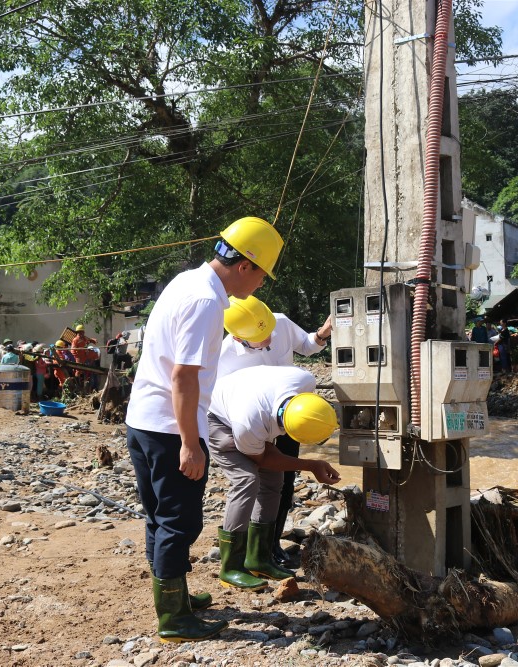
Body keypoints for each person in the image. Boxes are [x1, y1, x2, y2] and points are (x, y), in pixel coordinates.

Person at [125, 216, 282, 642]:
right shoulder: (206, 301)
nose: (261, 285)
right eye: (263, 275)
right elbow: (183, 376)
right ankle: (174, 617)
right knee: (179, 521)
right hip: (169, 428)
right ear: (246, 264)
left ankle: (174, 596)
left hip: (144, 421)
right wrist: (190, 444)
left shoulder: (186, 282)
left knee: (159, 518)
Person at [217, 295, 331, 567]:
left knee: (284, 482)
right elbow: (224, 402)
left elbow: (306, 345)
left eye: (269, 331)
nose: (269, 339)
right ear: (237, 338)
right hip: (250, 422)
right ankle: (245, 554)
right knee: (253, 482)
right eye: (260, 338)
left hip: (291, 417)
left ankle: (270, 545)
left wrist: (322, 334)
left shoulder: (278, 322)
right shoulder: (225, 356)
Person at [208, 366, 339, 589]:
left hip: (246, 403)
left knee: (274, 480)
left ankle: (258, 558)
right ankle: (231, 568)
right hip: (218, 419)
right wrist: (311, 465)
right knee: (246, 480)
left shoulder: (305, 381)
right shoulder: (248, 424)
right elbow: (264, 459)